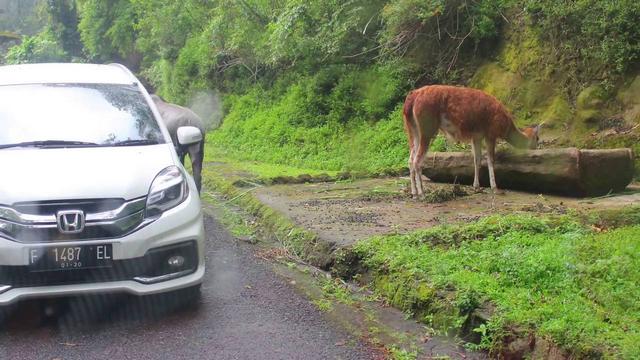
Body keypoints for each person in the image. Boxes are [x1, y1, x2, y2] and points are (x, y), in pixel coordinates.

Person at [150, 94, 206, 193]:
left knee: (175, 158)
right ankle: (196, 192)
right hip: (197, 122)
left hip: (172, 124)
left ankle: (177, 192)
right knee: (196, 165)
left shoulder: (152, 109)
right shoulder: (195, 117)